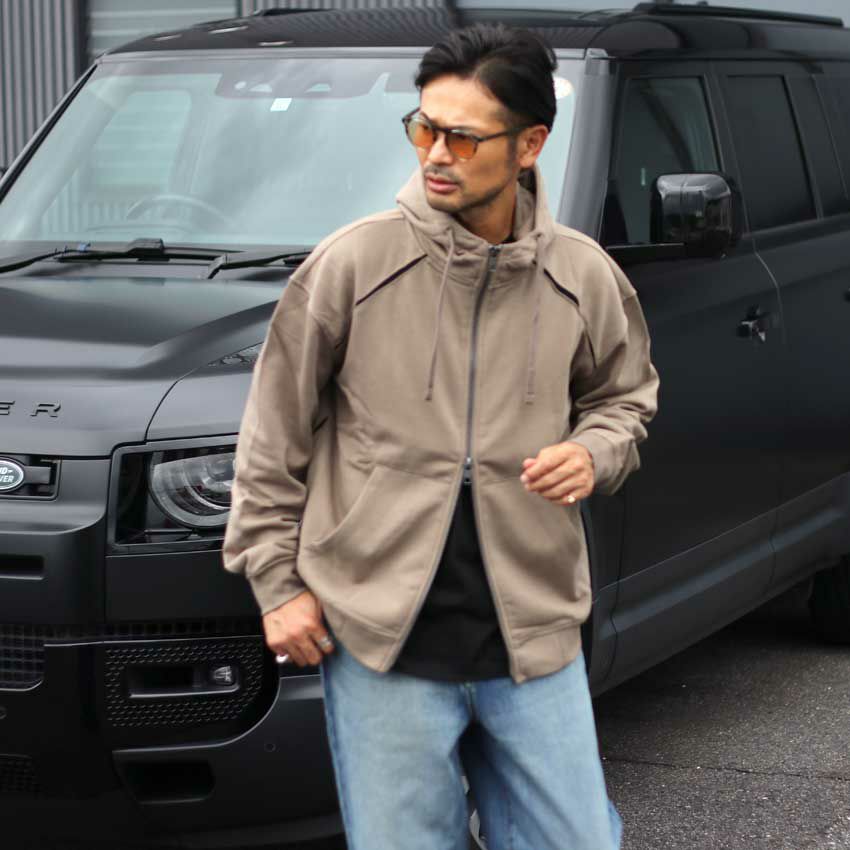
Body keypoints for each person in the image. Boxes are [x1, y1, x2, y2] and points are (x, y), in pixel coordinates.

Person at [223, 22, 659, 850]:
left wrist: (593, 452)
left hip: (532, 631)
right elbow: (271, 441)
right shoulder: (351, 266)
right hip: (380, 638)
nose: (436, 154)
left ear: (529, 144)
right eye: (424, 128)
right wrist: (276, 585)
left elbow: (624, 399)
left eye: (463, 137)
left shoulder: (581, 274)